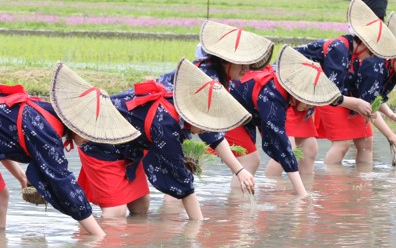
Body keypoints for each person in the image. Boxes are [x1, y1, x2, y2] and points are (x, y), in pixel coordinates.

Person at [0, 63, 140, 236]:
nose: (92, 138)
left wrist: (21, 178)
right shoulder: (47, 133)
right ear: (77, 125)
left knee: (1, 198)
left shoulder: (43, 112)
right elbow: (63, 183)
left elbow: (2, 141)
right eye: (92, 131)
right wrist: (99, 235)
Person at [77, 58, 252, 220]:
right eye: (206, 125)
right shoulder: (167, 126)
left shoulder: (180, 109)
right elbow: (183, 185)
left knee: (141, 206)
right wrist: (198, 227)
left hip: (129, 148)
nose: (205, 131)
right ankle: (98, 246)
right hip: (99, 141)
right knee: (116, 212)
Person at [264, 0, 396, 175]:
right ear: (361, 43)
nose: (370, 57)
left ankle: (303, 195)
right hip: (284, 89)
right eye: (370, 51)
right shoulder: (339, 49)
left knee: (309, 151)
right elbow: (331, 94)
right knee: (286, 150)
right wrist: (356, 103)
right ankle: (272, 192)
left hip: (302, 96)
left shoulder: (349, 54)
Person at [321, 11, 396, 166]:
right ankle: (331, 184)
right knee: (343, 144)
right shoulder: (375, 66)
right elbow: (369, 108)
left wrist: (393, 115)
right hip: (338, 98)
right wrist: (390, 135)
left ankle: (363, 185)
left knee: (366, 144)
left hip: (358, 102)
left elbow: (374, 99)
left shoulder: (391, 71)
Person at [229, 45, 342, 198]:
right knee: (249, 161)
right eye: (309, 102)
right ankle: (237, 207)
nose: (310, 107)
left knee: (253, 160)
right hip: (229, 107)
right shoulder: (273, 98)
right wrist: (302, 195)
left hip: (244, 110)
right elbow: (281, 144)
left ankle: (240, 204)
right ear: (298, 93)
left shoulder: (282, 90)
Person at [189, 20, 274, 185]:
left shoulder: (216, 76)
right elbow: (208, 131)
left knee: (180, 178)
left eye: (248, 63)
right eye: (241, 63)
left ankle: (237, 207)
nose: (246, 69)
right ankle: (237, 207)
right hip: (159, 125)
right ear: (223, 60)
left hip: (170, 128)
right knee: (180, 180)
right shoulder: (209, 81)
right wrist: (239, 170)